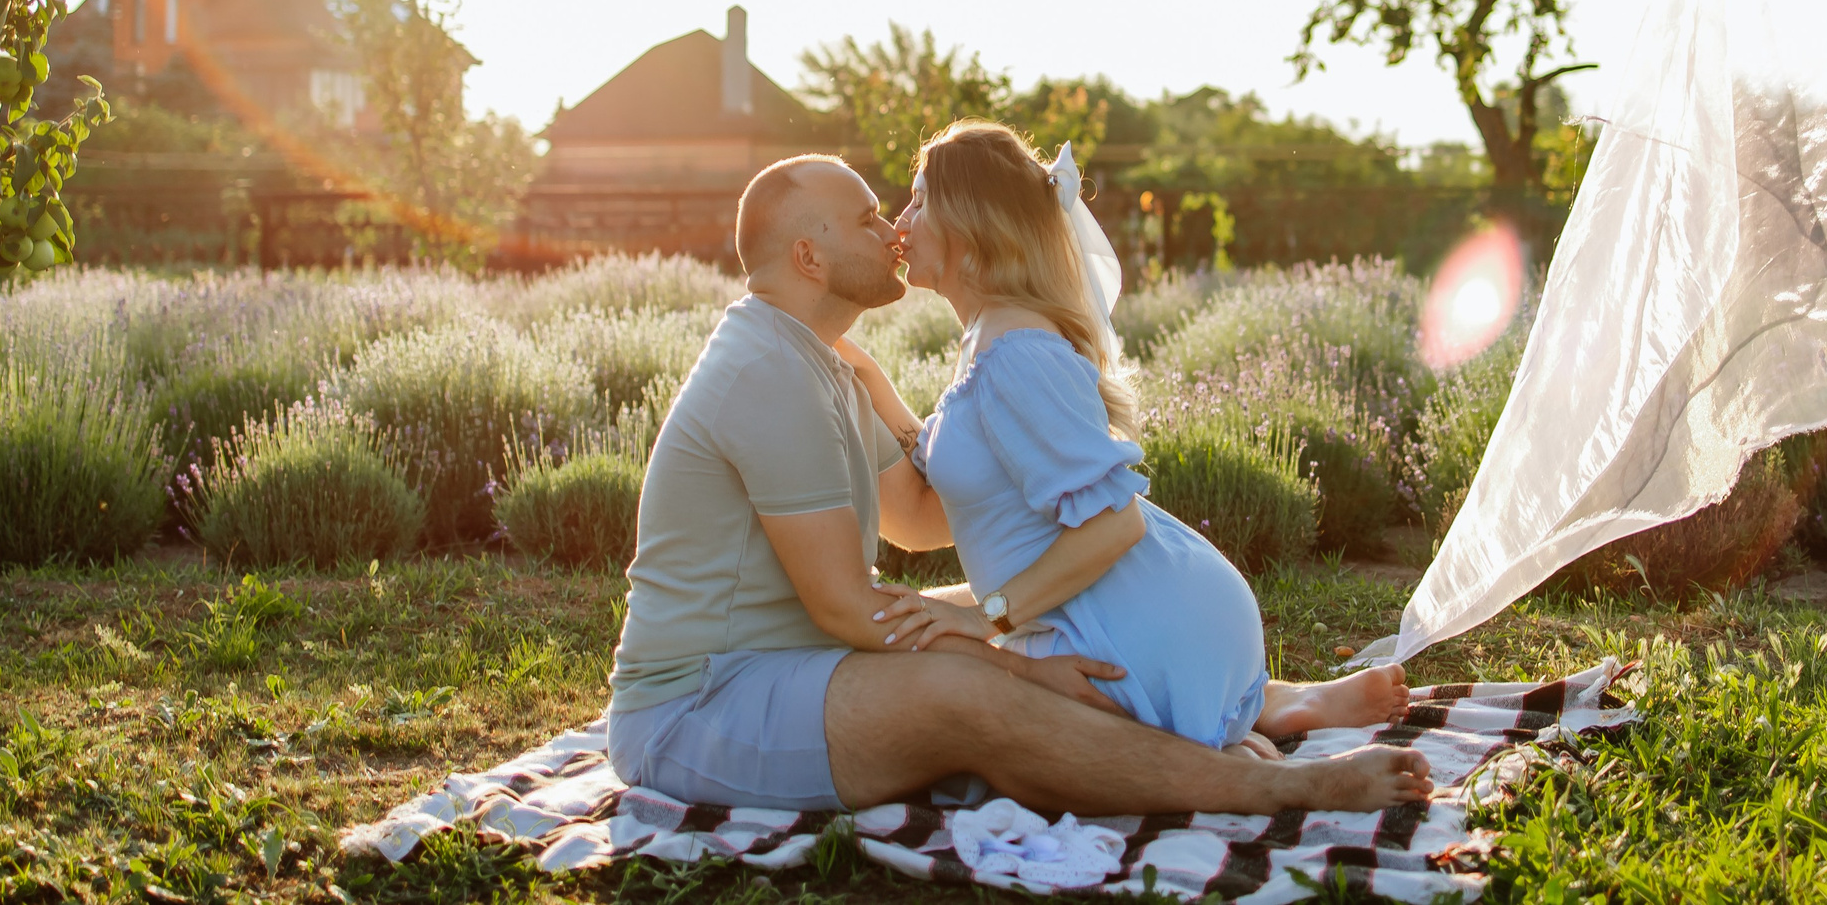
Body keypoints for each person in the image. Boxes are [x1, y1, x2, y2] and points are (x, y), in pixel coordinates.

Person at [603, 151, 1430, 816]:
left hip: (787, 668)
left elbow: (918, 522)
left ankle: (1222, 712)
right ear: (809, 255)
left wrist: (986, 614)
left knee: (985, 621)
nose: (890, 225)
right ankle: (1280, 788)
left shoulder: (822, 366)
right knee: (966, 685)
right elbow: (846, 611)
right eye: (866, 216)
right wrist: (1022, 665)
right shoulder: (768, 373)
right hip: (698, 707)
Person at [850, 122, 1412, 757]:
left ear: (970, 220)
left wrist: (986, 619)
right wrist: (865, 374)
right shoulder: (990, 338)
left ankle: (1213, 727)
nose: (903, 218)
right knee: (917, 628)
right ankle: (1259, 709)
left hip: (1126, 620)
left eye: (920, 199)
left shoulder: (1016, 354)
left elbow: (1116, 528)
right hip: (1104, 608)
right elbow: (930, 509)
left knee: (945, 686)